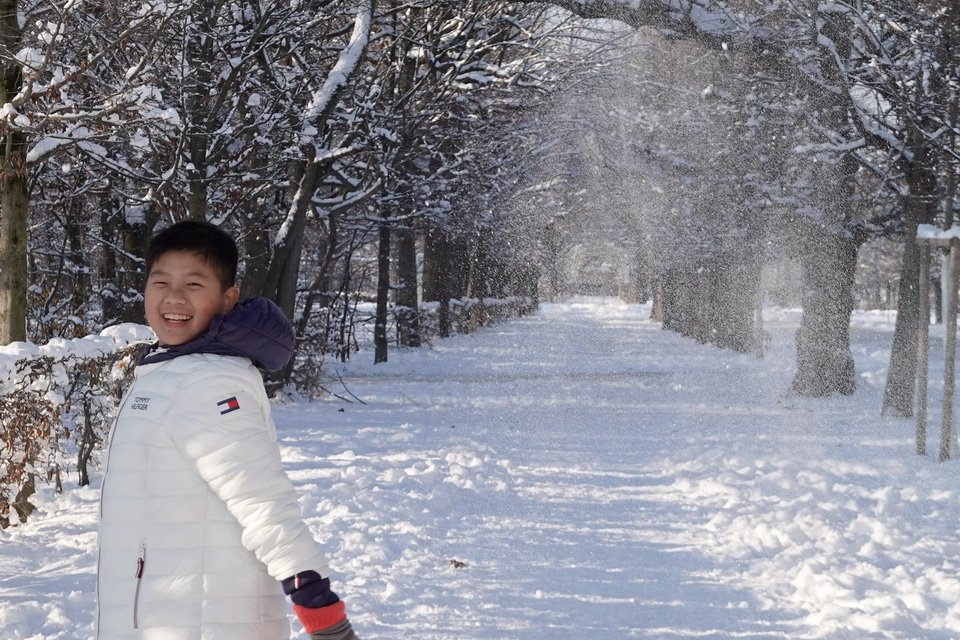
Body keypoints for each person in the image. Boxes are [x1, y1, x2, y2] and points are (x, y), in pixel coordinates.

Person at [95, 220, 358, 640]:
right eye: (161, 282)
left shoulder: (208, 382)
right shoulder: (170, 371)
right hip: (164, 617)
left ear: (227, 298)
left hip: (205, 623)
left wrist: (318, 604)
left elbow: (261, 500)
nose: (174, 298)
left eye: (195, 285)